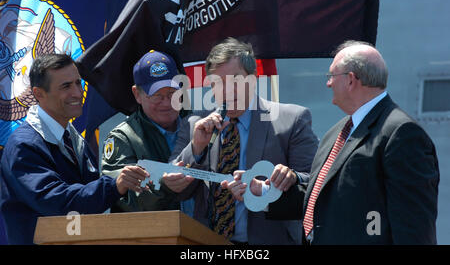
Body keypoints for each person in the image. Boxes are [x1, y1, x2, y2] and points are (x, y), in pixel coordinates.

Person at [264, 40, 440, 244]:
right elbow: (323, 197)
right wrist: (265, 192)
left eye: (331, 76)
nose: (328, 83)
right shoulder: (337, 132)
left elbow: (414, 226)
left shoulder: (402, 134)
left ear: (350, 80)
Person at [164, 37, 319, 245]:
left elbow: (314, 185)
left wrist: (271, 186)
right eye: (219, 83)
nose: (228, 90)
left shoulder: (292, 119)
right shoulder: (195, 123)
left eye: (236, 81)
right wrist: (197, 147)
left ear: (253, 80)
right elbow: (177, 187)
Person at [0, 54, 149, 245]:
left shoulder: (72, 139)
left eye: (78, 83)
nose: (78, 93)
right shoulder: (24, 145)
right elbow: (59, 204)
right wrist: (114, 186)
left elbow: (90, 204)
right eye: (66, 86)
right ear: (38, 94)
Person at [101, 50, 193, 215]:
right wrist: (162, 186)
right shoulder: (123, 138)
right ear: (137, 94)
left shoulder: (198, 129)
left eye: (172, 94)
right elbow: (122, 198)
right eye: (157, 95)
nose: (166, 103)